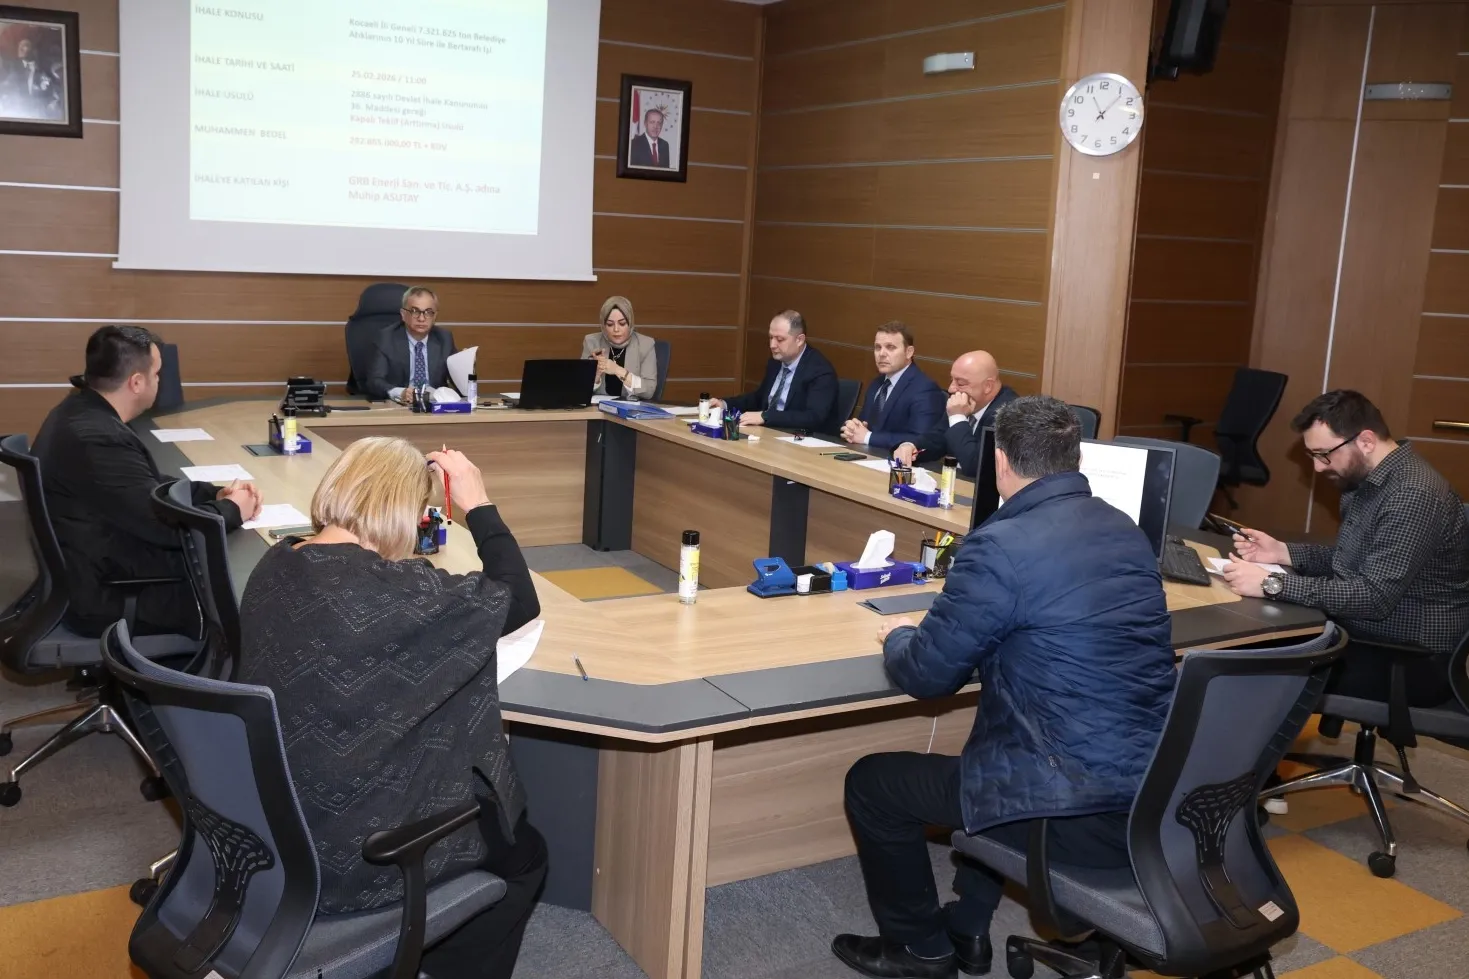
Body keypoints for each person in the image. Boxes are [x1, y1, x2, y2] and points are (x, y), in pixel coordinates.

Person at [832, 395, 1176, 979]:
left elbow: (926, 675)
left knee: (873, 784)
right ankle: (968, 925)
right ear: (1075, 458)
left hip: (1065, 801)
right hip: (1152, 788)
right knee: (990, 747)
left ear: (1000, 461)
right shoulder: (1125, 530)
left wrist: (899, 634)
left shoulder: (999, 546)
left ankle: (918, 949)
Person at [237, 438, 545, 978]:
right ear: (401, 508)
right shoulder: (398, 592)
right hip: (357, 853)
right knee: (526, 856)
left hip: (271, 824)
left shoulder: (276, 560)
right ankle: (424, 949)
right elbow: (518, 598)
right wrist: (477, 503)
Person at [1223, 389, 1469, 708]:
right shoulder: (1371, 479)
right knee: (1255, 641)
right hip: (1368, 637)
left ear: (1365, 441)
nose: (1318, 467)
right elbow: (1353, 561)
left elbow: (1373, 597)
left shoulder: (1413, 495)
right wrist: (1283, 552)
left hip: (1407, 659)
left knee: (1250, 667)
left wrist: (1273, 584)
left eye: (1324, 454)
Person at [33, 326, 263, 637]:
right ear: (137, 382)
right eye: (156, 374)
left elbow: (146, 485)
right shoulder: (98, 439)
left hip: (96, 562)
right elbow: (168, 530)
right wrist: (232, 510)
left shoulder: (81, 410)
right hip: (111, 592)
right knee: (252, 592)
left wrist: (213, 493)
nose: (159, 381)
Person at [707, 310, 841, 434]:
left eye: (780, 339)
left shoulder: (820, 371)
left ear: (799, 340)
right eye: (771, 337)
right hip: (768, 433)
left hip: (797, 438)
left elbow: (813, 417)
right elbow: (758, 398)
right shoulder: (776, 362)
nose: (772, 345)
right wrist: (725, 404)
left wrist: (765, 416)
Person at [892, 351, 1017, 476]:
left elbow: (975, 467)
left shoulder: (1009, 415)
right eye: (952, 380)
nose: (951, 389)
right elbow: (937, 439)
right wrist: (910, 446)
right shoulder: (965, 402)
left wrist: (958, 417)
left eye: (961, 383)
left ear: (988, 386)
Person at [840, 322, 945, 451]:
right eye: (878, 347)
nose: (881, 354)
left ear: (909, 352)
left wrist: (868, 437)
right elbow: (864, 425)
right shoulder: (877, 383)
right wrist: (852, 429)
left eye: (890, 347)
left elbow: (921, 440)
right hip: (866, 455)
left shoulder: (925, 389)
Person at [365, 286, 458, 403]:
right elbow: (374, 381)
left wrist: (465, 365)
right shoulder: (386, 338)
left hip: (434, 405)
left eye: (428, 312)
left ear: (435, 316)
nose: (421, 318)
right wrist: (400, 392)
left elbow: (457, 381)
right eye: (415, 311)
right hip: (398, 405)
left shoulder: (444, 339)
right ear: (403, 314)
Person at [581, 295, 659, 399]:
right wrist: (595, 376)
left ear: (630, 323)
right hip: (598, 408)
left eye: (622, 323)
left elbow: (649, 391)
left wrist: (617, 370)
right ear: (603, 326)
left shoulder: (645, 345)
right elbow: (580, 389)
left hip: (631, 407)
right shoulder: (592, 342)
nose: (616, 329)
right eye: (610, 324)